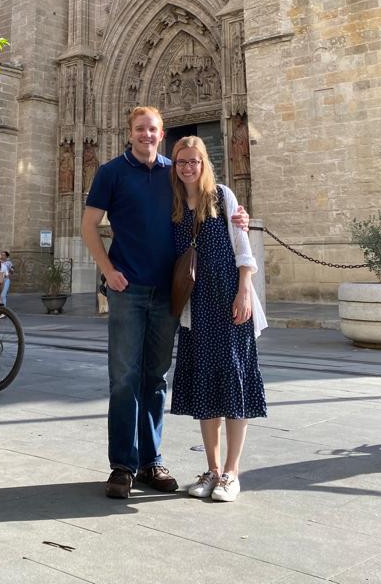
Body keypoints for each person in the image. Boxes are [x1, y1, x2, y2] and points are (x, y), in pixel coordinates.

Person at [81, 105, 250, 500]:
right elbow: (89, 225)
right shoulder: (110, 172)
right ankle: (123, 465)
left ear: (162, 133)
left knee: (156, 379)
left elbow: (207, 194)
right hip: (128, 290)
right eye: (140, 129)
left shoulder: (173, 171)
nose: (147, 134)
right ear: (130, 132)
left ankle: (151, 460)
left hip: (169, 294)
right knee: (124, 379)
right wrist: (108, 271)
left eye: (153, 129)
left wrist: (238, 214)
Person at [170, 135, 267, 503]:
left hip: (228, 304)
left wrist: (244, 290)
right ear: (175, 166)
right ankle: (211, 469)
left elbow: (243, 249)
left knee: (234, 382)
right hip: (196, 310)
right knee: (206, 386)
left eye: (194, 161)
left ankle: (232, 472)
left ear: (205, 163)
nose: (188, 167)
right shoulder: (174, 205)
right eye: (181, 162)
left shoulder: (222, 196)